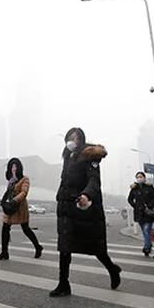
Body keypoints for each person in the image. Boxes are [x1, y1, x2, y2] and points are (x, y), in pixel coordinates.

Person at [50, 127, 121, 297]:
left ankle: (112, 269)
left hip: (85, 209)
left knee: (96, 248)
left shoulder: (90, 157)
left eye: (75, 138)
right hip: (67, 208)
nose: (71, 141)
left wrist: (86, 195)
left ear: (81, 140)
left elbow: (94, 181)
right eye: (69, 138)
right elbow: (65, 182)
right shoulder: (68, 158)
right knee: (65, 246)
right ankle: (63, 283)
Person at [0, 157, 43, 260]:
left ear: (19, 167)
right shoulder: (11, 180)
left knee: (26, 229)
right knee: (5, 228)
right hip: (10, 208)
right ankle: (4, 252)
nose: (14, 168)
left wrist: (15, 200)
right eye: (12, 166)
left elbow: (24, 192)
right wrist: (4, 201)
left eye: (15, 166)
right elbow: (8, 193)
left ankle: (38, 247)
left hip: (20, 208)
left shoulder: (25, 179)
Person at [128, 171, 154, 256]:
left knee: (146, 230)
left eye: (141, 176)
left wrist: (150, 205)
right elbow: (130, 199)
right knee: (145, 231)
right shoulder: (134, 188)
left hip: (148, 213)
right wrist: (135, 205)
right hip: (139, 213)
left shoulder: (149, 188)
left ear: (144, 178)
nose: (139, 178)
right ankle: (149, 244)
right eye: (137, 177)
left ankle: (146, 247)